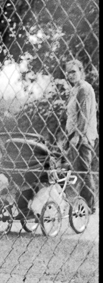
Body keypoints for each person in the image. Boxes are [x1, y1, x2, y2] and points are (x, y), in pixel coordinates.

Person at [64, 59, 98, 213]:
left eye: (74, 71)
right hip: (73, 137)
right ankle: (85, 203)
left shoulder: (84, 88)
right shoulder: (74, 89)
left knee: (84, 171)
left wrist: (77, 137)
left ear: (80, 71)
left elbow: (83, 116)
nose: (70, 75)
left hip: (82, 138)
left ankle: (90, 206)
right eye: (68, 71)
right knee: (79, 171)